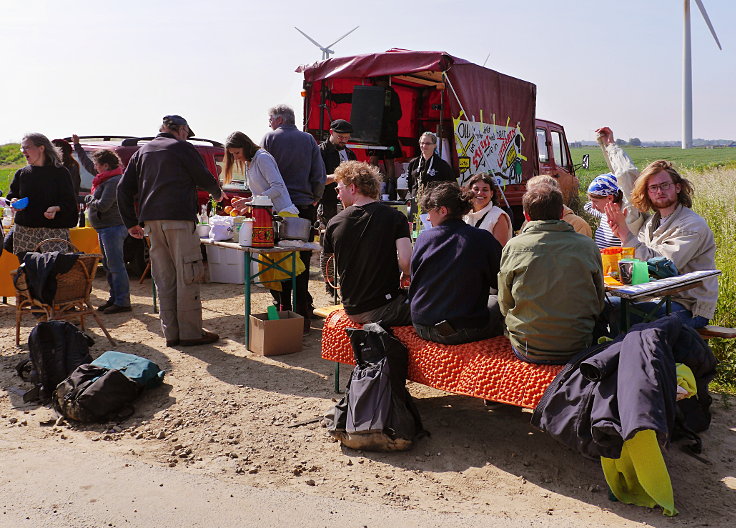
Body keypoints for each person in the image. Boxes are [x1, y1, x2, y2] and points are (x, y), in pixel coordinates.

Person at [117, 115, 227, 347]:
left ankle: (171, 333)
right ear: (182, 129)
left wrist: (130, 222)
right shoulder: (182, 148)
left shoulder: (142, 152)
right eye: (187, 132)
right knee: (187, 273)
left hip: (150, 222)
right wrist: (217, 194)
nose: (187, 136)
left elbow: (123, 188)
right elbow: (203, 177)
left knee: (164, 276)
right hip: (178, 218)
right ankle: (190, 333)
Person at [597, 126, 717, 329]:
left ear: (677, 188)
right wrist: (610, 146)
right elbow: (627, 179)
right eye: (653, 187)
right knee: (596, 306)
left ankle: (625, 358)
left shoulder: (691, 225)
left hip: (687, 307)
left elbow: (664, 268)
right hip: (653, 299)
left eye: (665, 185)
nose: (659, 191)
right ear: (648, 193)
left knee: (617, 312)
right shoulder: (650, 224)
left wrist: (627, 236)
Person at [498, 183, 605, 364]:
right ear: (562, 213)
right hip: (579, 344)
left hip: (527, 347)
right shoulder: (587, 245)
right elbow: (598, 298)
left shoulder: (514, 246)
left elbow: (505, 301)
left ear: (526, 215)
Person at [409, 182, 504, 344]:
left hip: (421, 325)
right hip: (461, 330)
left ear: (443, 210)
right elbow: (502, 281)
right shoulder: (481, 238)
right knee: (496, 301)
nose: (429, 218)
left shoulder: (424, 238)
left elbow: (415, 279)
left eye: (429, 212)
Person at [262, 104, 326, 331]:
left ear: (278, 120)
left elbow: (261, 174)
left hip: (278, 208)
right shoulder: (308, 140)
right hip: (303, 207)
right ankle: (302, 317)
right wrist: (315, 198)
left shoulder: (269, 139)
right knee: (302, 263)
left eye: (270, 118)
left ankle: (281, 309)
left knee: (276, 259)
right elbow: (319, 174)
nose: (268, 123)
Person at [323, 161, 411, 326]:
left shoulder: (334, 222)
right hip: (386, 307)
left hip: (351, 309)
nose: (337, 195)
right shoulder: (395, 217)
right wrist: (406, 274)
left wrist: (338, 289)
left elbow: (327, 263)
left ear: (353, 188)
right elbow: (406, 262)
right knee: (433, 305)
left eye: (338, 189)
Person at [72, 135, 131, 314]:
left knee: (115, 265)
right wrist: (78, 147)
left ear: (105, 165)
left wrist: (89, 199)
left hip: (112, 227)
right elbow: (88, 165)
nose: (94, 168)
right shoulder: (105, 177)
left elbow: (104, 205)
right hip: (105, 228)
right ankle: (115, 298)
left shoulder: (112, 181)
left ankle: (122, 301)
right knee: (109, 265)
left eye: (97, 164)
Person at [7, 133, 78, 256]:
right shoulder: (22, 173)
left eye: (27, 147)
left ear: (41, 148)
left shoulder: (60, 172)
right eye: (22, 148)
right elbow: (12, 196)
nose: (23, 151)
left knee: (53, 272)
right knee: (27, 272)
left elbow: (69, 201)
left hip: (53, 231)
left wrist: (56, 208)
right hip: (25, 231)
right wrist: (14, 202)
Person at [318, 119, 357, 296]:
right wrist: (337, 176)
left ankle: (346, 282)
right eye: (340, 137)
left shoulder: (350, 153)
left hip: (348, 204)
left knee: (348, 245)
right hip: (327, 203)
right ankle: (330, 285)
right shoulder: (320, 151)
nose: (343, 140)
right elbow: (316, 179)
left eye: (346, 138)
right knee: (328, 247)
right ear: (331, 132)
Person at [223, 131, 298, 215]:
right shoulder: (248, 163)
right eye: (232, 154)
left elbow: (278, 188)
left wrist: (252, 201)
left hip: (283, 214)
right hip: (269, 216)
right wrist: (248, 202)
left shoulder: (262, 158)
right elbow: (260, 194)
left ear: (246, 147)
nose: (235, 158)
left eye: (237, 153)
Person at [367, 76, 403, 200]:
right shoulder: (371, 94)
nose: (379, 83)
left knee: (389, 161)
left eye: (380, 81)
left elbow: (398, 114)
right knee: (373, 160)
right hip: (374, 133)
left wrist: (384, 118)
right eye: (377, 81)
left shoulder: (392, 94)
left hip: (389, 133)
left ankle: (391, 189)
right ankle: (372, 187)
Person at [523, 175, 592, 238]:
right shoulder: (528, 222)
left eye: (544, 195)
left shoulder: (577, 224)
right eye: (532, 195)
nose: (536, 199)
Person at [462, 173, 513, 246]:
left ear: (491, 194)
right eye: (476, 189)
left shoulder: (498, 216)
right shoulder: (464, 214)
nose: (480, 193)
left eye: (485, 190)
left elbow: (498, 251)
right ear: (469, 191)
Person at [406, 131, 455, 200]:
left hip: (433, 203)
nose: (424, 146)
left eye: (428, 143)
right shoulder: (413, 163)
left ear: (434, 145)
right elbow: (409, 183)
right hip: (415, 202)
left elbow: (451, 185)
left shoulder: (442, 165)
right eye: (422, 143)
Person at [583, 173, 622, 249]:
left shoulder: (625, 218)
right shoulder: (604, 214)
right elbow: (587, 207)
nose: (593, 206)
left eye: (595, 201)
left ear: (610, 198)